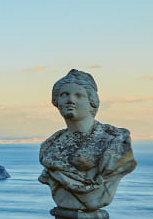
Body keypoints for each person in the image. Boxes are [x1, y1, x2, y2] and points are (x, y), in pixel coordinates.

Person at [38, 69, 136, 211]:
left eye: (79, 95)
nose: (70, 100)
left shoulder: (114, 142)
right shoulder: (49, 147)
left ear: (92, 102)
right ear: (56, 101)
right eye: (64, 95)